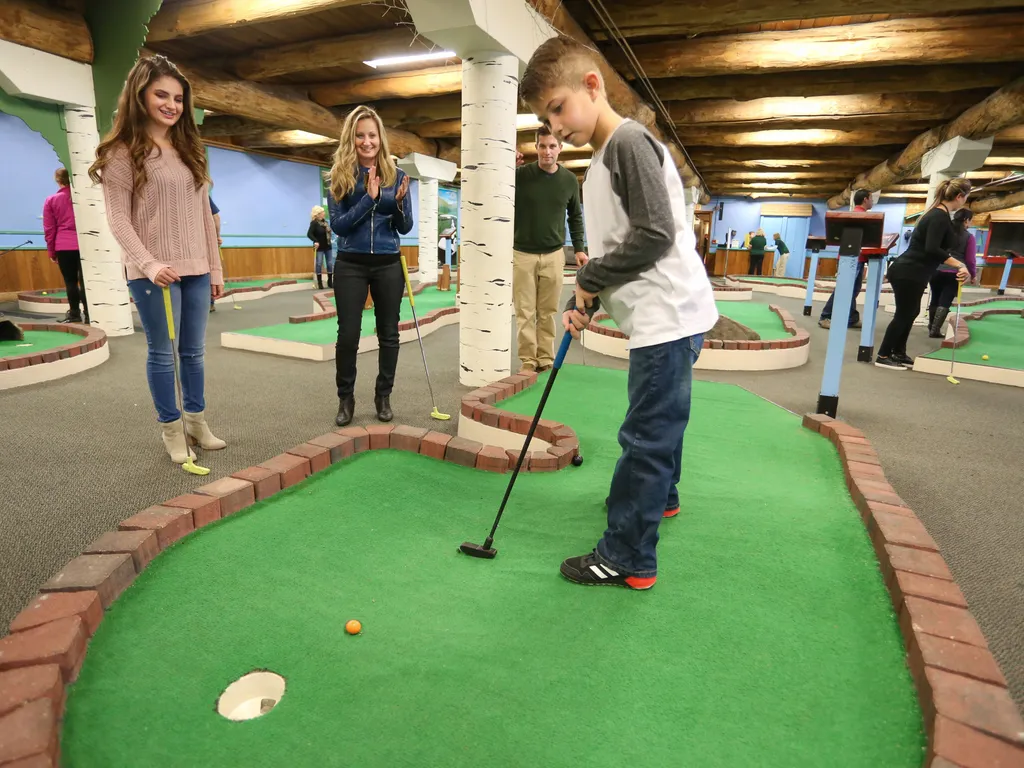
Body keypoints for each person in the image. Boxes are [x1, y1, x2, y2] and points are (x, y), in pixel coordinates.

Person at [521, 36, 718, 590]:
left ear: (592, 85)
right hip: (666, 315)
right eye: (545, 119)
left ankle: (628, 556)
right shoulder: (604, 158)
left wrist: (591, 279)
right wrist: (586, 296)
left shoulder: (628, 142)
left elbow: (654, 235)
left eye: (557, 108)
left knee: (645, 436)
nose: (554, 127)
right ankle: (660, 497)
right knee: (660, 425)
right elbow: (619, 250)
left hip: (666, 320)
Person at [89, 54, 226, 464]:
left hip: (197, 269)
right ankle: (171, 429)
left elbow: (204, 216)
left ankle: (196, 422)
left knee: (194, 352)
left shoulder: (189, 149)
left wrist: (215, 268)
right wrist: (149, 264)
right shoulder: (122, 152)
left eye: (178, 98)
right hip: (154, 274)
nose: (171, 105)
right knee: (163, 353)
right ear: (141, 96)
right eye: (161, 95)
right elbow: (118, 219)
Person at [328, 105, 413, 427]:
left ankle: (383, 395)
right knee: (348, 335)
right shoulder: (340, 175)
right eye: (360, 135)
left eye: (372, 135)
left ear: (381, 138)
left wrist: (400, 204)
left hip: (388, 263)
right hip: (350, 262)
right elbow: (339, 226)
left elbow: (405, 227)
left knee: (389, 333)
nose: (367, 142)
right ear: (351, 138)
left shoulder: (398, 175)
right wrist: (369, 199)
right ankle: (345, 398)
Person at [875, 178, 972, 370]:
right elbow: (932, 248)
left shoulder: (941, 215)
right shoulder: (938, 216)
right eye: (966, 197)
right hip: (909, 270)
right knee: (904, 313)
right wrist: (959, 265)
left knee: (911, 312)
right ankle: (883, 355)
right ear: (960, 196)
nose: (966, 200)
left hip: (915, 271)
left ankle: (898, 352)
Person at [513, 125, 587, 373]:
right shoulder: (520, 175)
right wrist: (506, 167)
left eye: (552, 146)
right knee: (525, 311)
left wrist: (579, 248)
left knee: (547, 311)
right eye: (542, 146)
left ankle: (545, 357)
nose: (547, 151)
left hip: (554, 254)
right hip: (522, 253)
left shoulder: (569, 180)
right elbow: (496, 189)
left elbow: (575, 216)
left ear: (560, 148)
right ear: (536, 147)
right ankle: (528, 359)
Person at [819, 189, 873, 329]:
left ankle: (851, 318)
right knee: (844, 289)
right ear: (865, 199)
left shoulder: (855, 214)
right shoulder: (861, 216)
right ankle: (826, 316)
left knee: (853, 290)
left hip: (855, 257)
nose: (872, 201)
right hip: (853, 258)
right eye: (871, 198)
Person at [42, 167, 88, 324]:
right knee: (86, 281)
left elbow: (49, 229)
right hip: (86, 244)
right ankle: (90, 314)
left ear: (57, 180)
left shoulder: (51, 200)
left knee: (70, 281)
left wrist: (51, 251)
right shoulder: (83, 198)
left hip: (64, 246)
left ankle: (74, 314)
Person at [928, 208, 976, 338]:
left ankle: (931, 326)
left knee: (935, 298)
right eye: (970, 220)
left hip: (936, 270)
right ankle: (935, 330)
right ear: (966, 220)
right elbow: (970, 260)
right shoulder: (968, 237)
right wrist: (973, 275)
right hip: (954, 272)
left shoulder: (944, 233)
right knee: (945, 301)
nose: (970, 223)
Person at [307, 205, 334, 289]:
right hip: (319, 247)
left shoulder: (325, 223)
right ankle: (319, 282)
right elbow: (309, 234)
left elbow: (329, 233)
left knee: (330, 263)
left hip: (328, 246)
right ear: (318, 214)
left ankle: (330, 281)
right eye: (322, 212)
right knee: (319, 263)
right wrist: (315, 241)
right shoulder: (314, 223)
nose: (324, 213)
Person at [209, 196, 222, 312]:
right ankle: (210, 303)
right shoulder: (203, 194)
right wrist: (217, 236)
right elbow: (216, 217)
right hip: (206, 241)